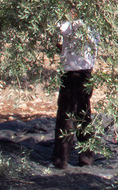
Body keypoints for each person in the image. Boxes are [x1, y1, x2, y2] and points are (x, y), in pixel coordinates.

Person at [51, 17, 100, 169]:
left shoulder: (74, 23)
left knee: (66, 115)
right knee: (83, 113)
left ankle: (61, 160)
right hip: (86, 71)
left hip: (72, 72)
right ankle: (87, 157)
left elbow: (62, 28)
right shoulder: (93, 21)